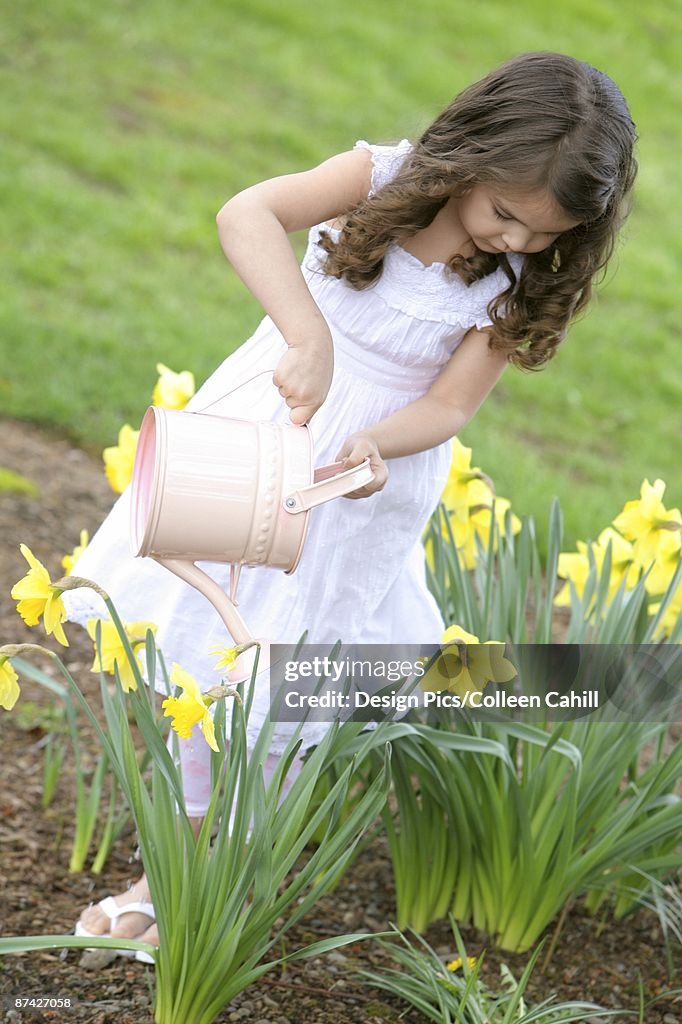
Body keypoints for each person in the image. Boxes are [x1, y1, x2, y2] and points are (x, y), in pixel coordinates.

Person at [71, 51, 637, 954]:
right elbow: (244, 214)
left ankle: (215, 875)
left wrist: (377, 443)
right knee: (204, 652)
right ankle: (171, 861)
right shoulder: (375, 177)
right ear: (470, 157)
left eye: (549, 235)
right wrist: (306, 332)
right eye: (507, 217)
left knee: (290, 682)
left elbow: (450, 406)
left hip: (358, 488)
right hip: (260, 435)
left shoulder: (514, 283)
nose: (521, 245)